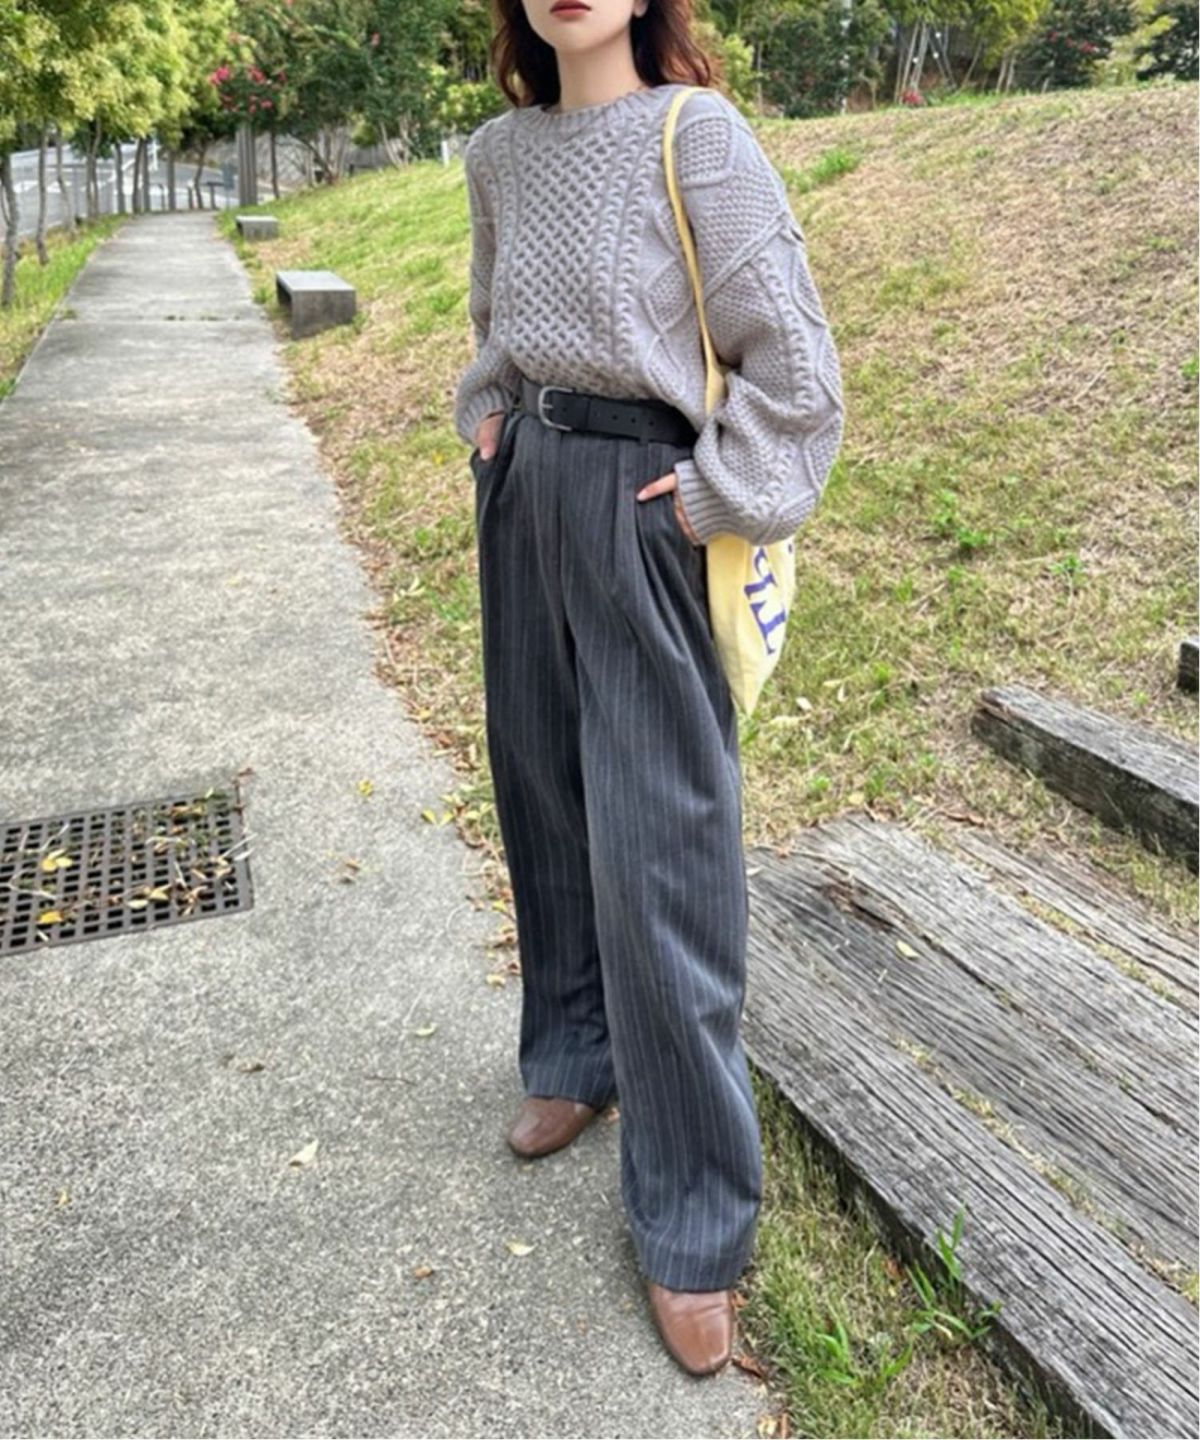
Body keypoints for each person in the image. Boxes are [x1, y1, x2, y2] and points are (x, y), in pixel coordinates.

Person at [453, 0, 845, 1379]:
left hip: (643, 502)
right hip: (525, 491)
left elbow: (795, 365)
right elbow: (492, 324)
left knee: (659, 842)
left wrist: (709, 499)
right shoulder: (497, 154)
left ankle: (693, 1213)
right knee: (541, 790)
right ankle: (573, 1054)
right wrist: (487, 418)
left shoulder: (699, 136)